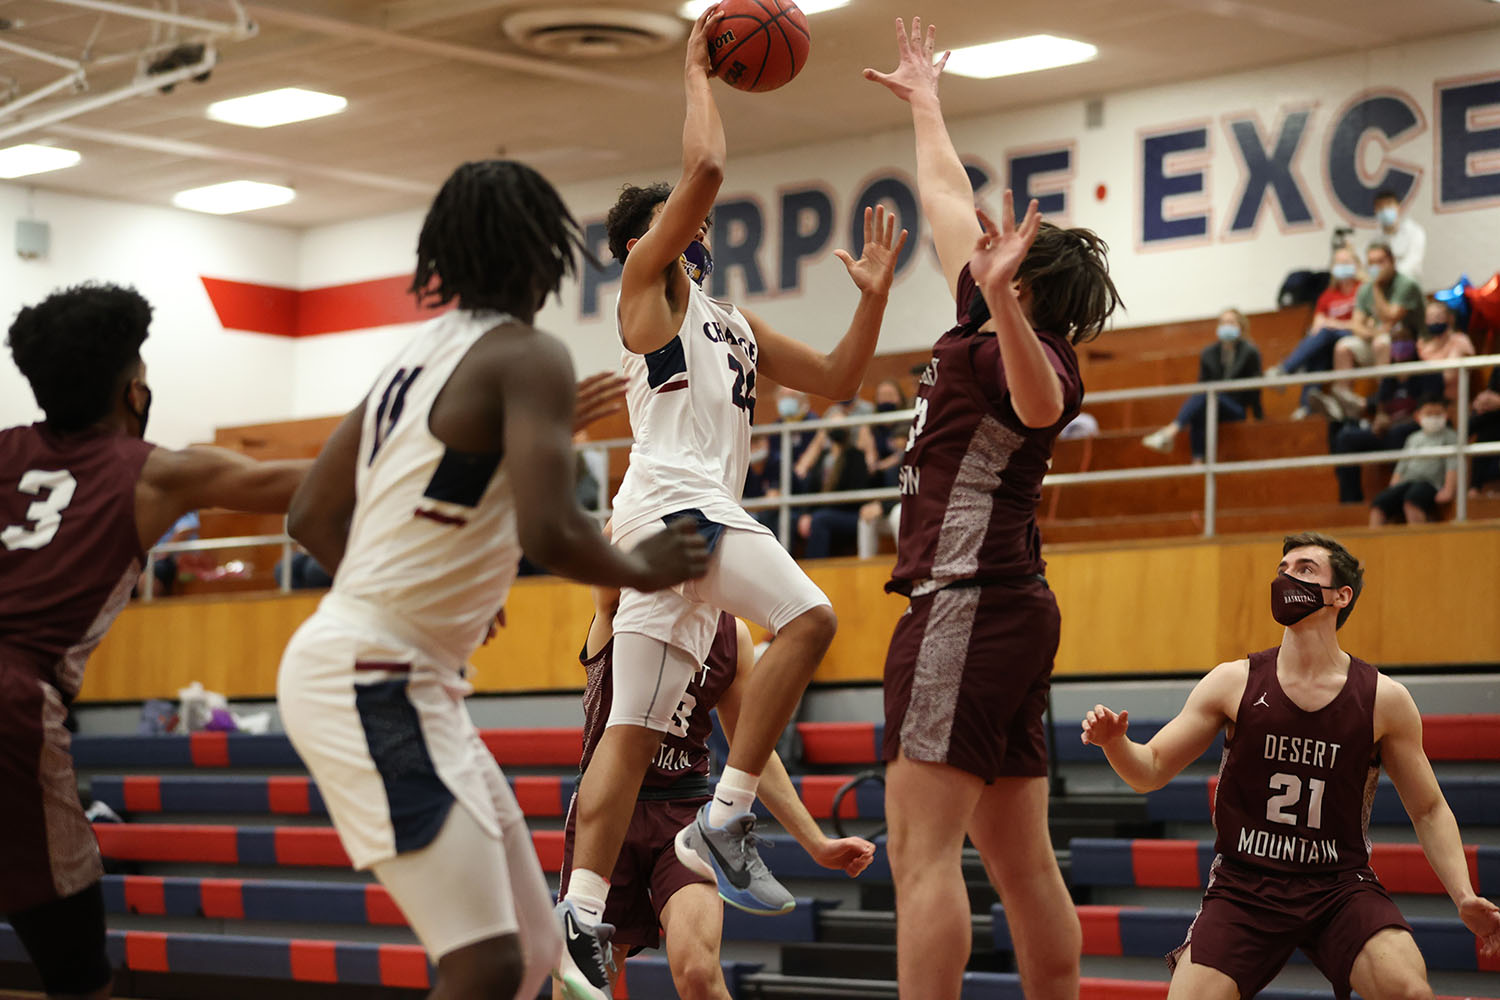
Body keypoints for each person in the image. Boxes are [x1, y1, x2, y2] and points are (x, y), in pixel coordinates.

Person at [274, 159, 710, 1000]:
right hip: (374, 676)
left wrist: (424, 598)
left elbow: (310, 516)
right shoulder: (529, 355)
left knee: (535, 947)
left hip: (389, 666)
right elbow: (550, 529)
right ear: (546, 255)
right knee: (483, 963)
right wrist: (638, 564)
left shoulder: (418, 356)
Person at [557, 9, 907, 994]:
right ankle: (729, 808)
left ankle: (582, 913)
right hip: (674, 503)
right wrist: (694, 69)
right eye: (683, 223)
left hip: (676, 524)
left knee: (628, 733)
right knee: (811, 615)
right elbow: (704, 171)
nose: (701, 227)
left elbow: (839, 378)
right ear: (652, 238)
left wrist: (874, 296)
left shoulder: (733, 322)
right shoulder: (645, 288)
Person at [866, 18, 1122, 1000]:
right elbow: (940, 191)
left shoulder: (1028, 347)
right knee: (1022, 861)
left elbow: (1043, 406)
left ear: (1027, 282)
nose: (981, 245)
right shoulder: (979, 321)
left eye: (1009, 252)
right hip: (1008, 606)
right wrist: (928, 100)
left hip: (964, 604)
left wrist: (1010, 305)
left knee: (920, 855)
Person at [1, 282, 311, 1000]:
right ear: (133, 389)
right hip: (15, 704)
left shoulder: (5, 451)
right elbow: (309, 480)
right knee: (78, 974)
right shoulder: (153, 473)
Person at [1081, 532, 1500, 1000]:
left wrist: (1463, 895)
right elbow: (1151, 768)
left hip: (1338, 884)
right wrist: (1116, 745)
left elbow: (1428, 809)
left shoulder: (1384, 699)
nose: (1286, 578)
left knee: (1408, 990)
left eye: (1303, 569)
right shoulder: (1232, 681)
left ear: (1341, 596)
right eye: (1282, 570)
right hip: (1245, 884)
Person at [560, 584, 876, 1000]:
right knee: (579, 990)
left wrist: (815, 842)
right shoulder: (619, 600)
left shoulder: (733, 634)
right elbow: (617, 531)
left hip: (684, 814)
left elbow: (754, 749)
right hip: (608, 815)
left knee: (698, 974)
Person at [1142, 309, 1263, 460]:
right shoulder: (1209, 353)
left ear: (1241, 326)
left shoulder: (1249, 351)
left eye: (1231, 322)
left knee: (1206, 395)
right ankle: (1197, 461)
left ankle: (1170, 432)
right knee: (1199, 410)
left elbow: (1256, 387)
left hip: (1235, 408)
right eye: (1223, 322)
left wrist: (1259, 419)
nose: (1227, 326)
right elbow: (1201, 386)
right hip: (1212, 405)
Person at [1268, 245, 1363, 420]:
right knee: (1318, 351)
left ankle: (1286, 370)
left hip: (1353, 337)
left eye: (1346, 262)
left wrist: (1333, 323)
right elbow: (1317, 324)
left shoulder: (1363, 289)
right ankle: (1305, 405)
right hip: (1329, 341)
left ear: (1356, 264)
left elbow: (1360, 324)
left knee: (1326, 333)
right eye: (1338, 263)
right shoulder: (1327, 295)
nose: (1342, 266)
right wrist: (1327, 325)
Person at [1332, 242, 1425, 417]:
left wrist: (1376, 287)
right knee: (1343, 346)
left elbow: (1391, 316)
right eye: (1372, 263)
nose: (1376, 267)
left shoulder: (1406, 284)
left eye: (1380, 261)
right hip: (1378, 340)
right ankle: (1342, 401)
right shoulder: (1364, 289)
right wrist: (1375, 332)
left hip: (1409, 346)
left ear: (1392, 262)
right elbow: (1356, 325)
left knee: (1381, 343)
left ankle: (1382, 403)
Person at [793, 403, 873, 559]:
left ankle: (815, 570)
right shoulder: (823, 457)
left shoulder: (855, 456)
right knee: (793, 519)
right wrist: (806, 514)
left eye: (841, 425)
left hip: (850, 513)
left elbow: (856, 492)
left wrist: (821, 511)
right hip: (823, 512)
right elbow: (810, 488)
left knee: (821, 519)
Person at [1369, 394, 1459, 526]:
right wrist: (1394, 488)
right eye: (1429, 414)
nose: (1433, 418)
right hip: (1406, 483)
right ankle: (1373, 543)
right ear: (1418, 416)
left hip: (1430, 484)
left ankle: (1420, 544)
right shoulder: (1413, 438)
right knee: (1379, 503)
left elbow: (1453, 465)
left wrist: (1448, 490)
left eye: (1438, 414)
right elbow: (1402, 466)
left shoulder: (1451, 436)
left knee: (1412, 502)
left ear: (1446, 414)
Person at [1373, 188, 1427, 286]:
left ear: (1398, 207)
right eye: (1380, 207)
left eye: (1389, 205)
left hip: (1409, 287)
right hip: (1383, 288)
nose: (1385, 210)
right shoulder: (1375, 239)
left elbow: (1414, 261)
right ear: (1376, 211)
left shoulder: (1414, 231)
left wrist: (1389, 275)